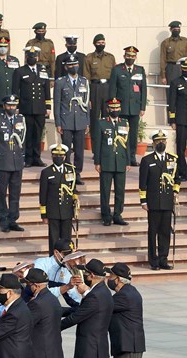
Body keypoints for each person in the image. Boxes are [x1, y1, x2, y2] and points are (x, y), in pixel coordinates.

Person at [139, 131, 181, 270]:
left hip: (167, 202)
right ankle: (154, 261)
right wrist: (143, 201)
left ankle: (164, 259)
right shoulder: (147, 160)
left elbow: (177, 178)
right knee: (153, 232)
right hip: (154, 202)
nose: (161, 143)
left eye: (163, 141)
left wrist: (175, 192)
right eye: (158, 141)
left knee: (165, 232)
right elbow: (142, 182)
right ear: (153, 143)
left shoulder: (172, 159)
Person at [0, 94, 25, 233]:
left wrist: (23, 158)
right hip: (2, 161)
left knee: (15, 193)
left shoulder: (21, 119)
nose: (11, 108)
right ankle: (3, 219)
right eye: (9, 105)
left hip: (17, 161)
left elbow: (23, 140)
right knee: (2, 192)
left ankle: (13, 219)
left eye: (14, 106)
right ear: (4, 106)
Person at [93, 98, 130, 226]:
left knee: (120, 190)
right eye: (112, 108)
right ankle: (106, 215)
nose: (115, 110)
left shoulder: (124, 123)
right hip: (106, 161)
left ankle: (118, 214)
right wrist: (97, 162)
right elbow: (97, 144)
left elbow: (127, 144)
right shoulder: (101, 123)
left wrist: (128, 161)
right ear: (108, 109)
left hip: (120, 161)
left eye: (117, 108)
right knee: (105, 190)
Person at [12, 46, 51, 168]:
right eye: (30, 56)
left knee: (38, 133)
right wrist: (16, 106)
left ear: (37, 57)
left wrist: (48, 106)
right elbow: (15, 90)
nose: (32, 58)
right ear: (26, 57)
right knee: (28, 134)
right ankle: (28, 158)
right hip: (26, 107)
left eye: (34, 57)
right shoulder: (20, 71)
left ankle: (37, 157)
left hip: (40, 108)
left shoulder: (43, 70)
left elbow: (46, 89)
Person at [109, 46, 146, 166]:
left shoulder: (139, 70)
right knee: (121, 133)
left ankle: (131, 157)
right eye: (128, 56)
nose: (130, 58)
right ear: (124, 56)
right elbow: (112, 88)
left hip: (135, 108)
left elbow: (143, 90)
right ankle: (121, 156)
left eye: (132, 56)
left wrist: (142, 107)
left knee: (133, 134)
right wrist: (112, 106)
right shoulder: (117, 70)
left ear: (135, 57)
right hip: (121, 108)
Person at [54, 55, 89, 181]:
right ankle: (68, 171)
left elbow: (86, 103)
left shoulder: (84, 82)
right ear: (65, 67)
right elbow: (57, 104)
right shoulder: (60, 82)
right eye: (70, 65)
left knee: (80, 150)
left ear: (78, 65)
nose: (73, 67)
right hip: (66, 120)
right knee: (66, 149)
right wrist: (58, 123)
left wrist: (87, 122)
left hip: (80, 120)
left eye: (75, 64)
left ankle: (77, 173)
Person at [40, 144, 77, 253]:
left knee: (67, 240)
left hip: (67, 211)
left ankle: (66, 260)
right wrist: (44, 214)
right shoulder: (47, 172)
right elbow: (43, 194)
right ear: (52, 157)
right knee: (54, 240)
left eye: (61, 156)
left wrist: (76, 204)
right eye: (56, 155)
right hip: (53, 211)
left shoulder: (70, 171)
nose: (58, 158)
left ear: (65, 157)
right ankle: (53, 259)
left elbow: (73, 189)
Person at [32, 238, 83, 307]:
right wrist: (67, 286)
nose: (69, 257)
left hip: (56, 307)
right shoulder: (41, 264)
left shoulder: (68, 269)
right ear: (56, 253)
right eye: (67, 254)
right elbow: (41, 294)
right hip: (38, 305)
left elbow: (73, 295)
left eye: (72, 254)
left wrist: (83, 305)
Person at [83, 34, 116, 122]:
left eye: (102, 42)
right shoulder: (89, 58)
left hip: (107, 87)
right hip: (95, 88)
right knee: (94, 114)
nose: (101, 44)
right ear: (94, 44)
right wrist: (88, 96)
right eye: (98, 42)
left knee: (107, 113)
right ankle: (94, 134)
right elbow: (86, 77)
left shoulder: (110, 57)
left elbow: (114, 75)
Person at [159, 21, 187, 86]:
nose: (177, 31)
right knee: (171, 90)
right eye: (175, 29)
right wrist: (163, 76)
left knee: (183, 90)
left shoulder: (185, 41)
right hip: (171, 68)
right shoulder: (165, 42)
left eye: (178, 29)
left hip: (182, 67)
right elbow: (162, 59)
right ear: (171, 30)